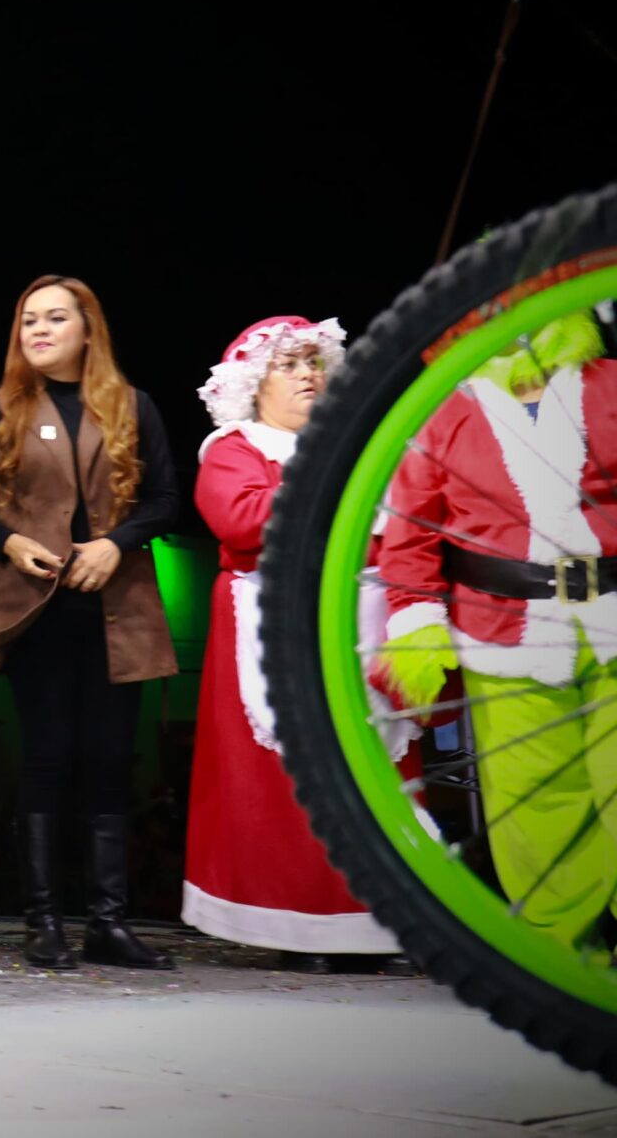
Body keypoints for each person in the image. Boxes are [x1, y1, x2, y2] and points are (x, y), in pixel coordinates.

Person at [0, 275, 180, 972]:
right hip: (33, 606)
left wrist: (117, 543)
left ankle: (108, 923)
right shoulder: (1, 407)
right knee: (46, 757)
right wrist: (8, 541)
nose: (39, 331)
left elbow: (167, 497)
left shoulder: (132, 404)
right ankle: (42, 922)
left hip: (116, 605)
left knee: (110, 759)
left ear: (87, 328)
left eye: (54, 318)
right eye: (29, 321)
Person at [180, 316, 413, 973]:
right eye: (288, 364)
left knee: (371, 770)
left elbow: (401, 527)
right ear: (255, 384)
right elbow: (241, 519)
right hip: (276, 626)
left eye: (314, 361)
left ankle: (376, 924)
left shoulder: (359, 446)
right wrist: (333, 489)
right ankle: (301, 926)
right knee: (288, 778)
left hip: (360, 623)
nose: (307, 374)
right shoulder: (234, 449)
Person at [378, 312, 617, 949]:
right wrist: (418, 623)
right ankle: (566, 965)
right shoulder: (442, 412)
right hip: (503, 634)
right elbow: (410, 533)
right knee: (539, 813)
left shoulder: (610, 385)